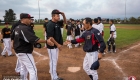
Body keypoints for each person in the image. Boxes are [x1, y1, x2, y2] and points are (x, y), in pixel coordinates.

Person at [11, 13, 54, 80]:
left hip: (18, 51)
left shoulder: (17, 27)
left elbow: (13, 38)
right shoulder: (24, 28)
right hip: (24, 52)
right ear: (23, 19)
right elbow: (35, 39)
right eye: (28, 19)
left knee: (23, 68)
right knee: (33, 70)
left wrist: (12, 45)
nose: (30, 20)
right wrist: (46, 41)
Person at [46, 9, 66, 80]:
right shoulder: (50, 24)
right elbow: (50, 37)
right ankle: (54, 77)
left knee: (54, 60)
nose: (59, 17)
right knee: (53, 61)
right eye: (57, 16)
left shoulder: (57, 23)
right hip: (52, 46)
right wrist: (58, 45)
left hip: (56, 46)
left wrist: (63, 15)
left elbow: (65, 22)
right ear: (53, 16)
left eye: (59, 16)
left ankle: (53, 73)